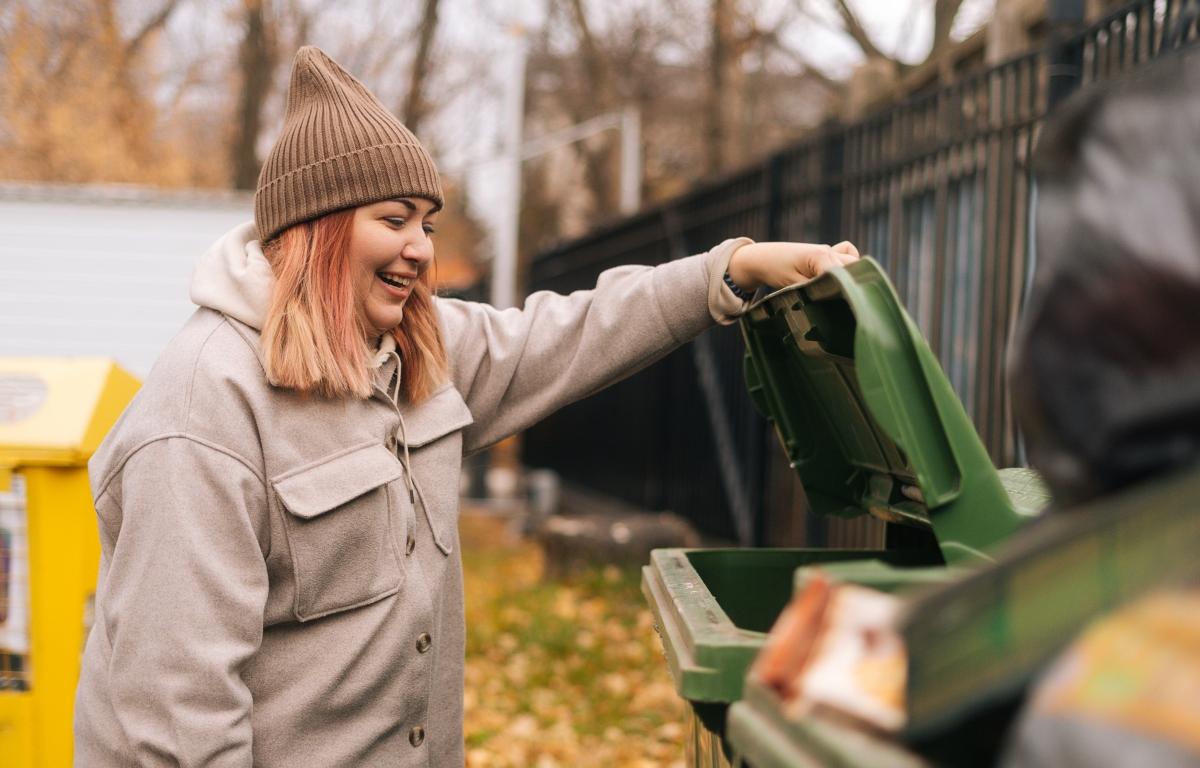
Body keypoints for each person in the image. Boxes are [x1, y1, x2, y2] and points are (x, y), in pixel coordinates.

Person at [73, 46, 858, 767]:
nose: (420, 246)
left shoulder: (415, 353)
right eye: (393, 219)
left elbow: (573, 330)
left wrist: (733, 268)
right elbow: (181, 721)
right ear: (316, 230)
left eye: (427, 222)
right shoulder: (203, 412)